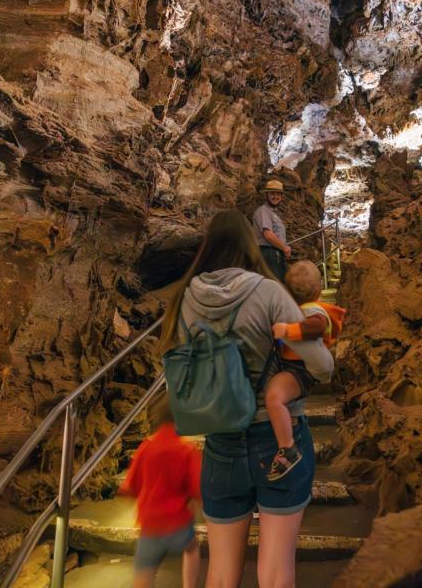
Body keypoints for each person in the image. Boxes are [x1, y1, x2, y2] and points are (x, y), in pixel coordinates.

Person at [159, 210, 333, 588]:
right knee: (274, 568)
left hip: (221, 443)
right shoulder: (267, 291)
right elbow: (321, 365)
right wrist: (296, 379)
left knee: (220, 573)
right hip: (276, 442)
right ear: (248, 245)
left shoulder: (185, 298)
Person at [264, 261, 347, 481]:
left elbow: (318, 326)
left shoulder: (313, 310)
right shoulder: (299, 308)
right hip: (293, 366)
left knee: (274, 399)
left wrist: (287, 330)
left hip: (299, 369)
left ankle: (287, 447)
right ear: (320, 288)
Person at [118, 396, 201, 588]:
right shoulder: (186, 449)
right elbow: (197, 488)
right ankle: (190, 585)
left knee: (144, 569)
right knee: (191, 549)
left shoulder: (146, 447)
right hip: (178, 523)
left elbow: (130, 487)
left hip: (150, 525)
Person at [253, 179, 290, 280]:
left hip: (275, 254)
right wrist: (285, 248)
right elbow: (268, 234)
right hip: (268, 254)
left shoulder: (273, 213)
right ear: (267, 195)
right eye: (272, 193)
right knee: (274, 283)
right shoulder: (263, 211)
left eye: (278, 194)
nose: (276, 197)